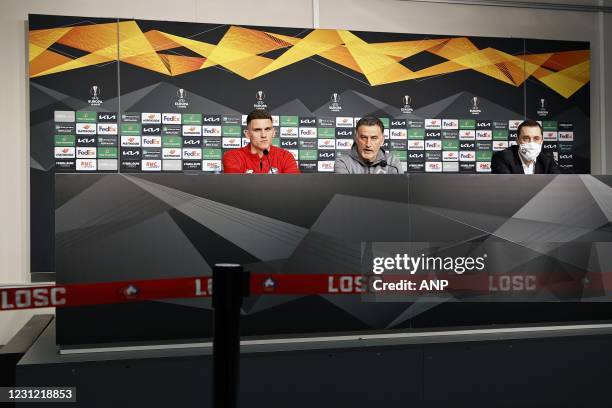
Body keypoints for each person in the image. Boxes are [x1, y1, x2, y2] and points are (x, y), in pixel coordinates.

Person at [222, 110, 300, 174]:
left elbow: (293, 186)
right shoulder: (233, 157)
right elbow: (234, 188)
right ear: (248, 134)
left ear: (273, 132)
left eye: (267, 129)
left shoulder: (285, 156)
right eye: (257, 130)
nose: (263, 135)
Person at [334, 116, 402, 174]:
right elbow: (344, 189)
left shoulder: (392, 162)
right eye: (363, 137)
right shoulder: (343, 162)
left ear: (382, 140)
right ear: (356, 139)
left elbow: (399, 189)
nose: (368, 144)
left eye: (374, 138)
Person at [491, 120, 560, 174]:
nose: (531, 143)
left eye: (536, 138)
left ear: (541, 141)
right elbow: (505, 187)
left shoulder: (547, 158)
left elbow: (556, 184)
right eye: (526, 138)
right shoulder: (502, 158)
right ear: (517, 141)